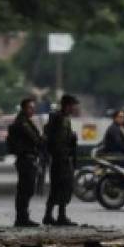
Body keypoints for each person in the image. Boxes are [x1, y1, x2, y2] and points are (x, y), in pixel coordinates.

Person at [43, 94, 79, 226]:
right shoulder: (59, 118)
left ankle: (55, 215)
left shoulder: (63, 118)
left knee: (62, 187)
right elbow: (56, 140)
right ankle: (57, 216)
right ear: (67, 105)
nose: (74, 108)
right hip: (60, 158)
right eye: (73, 106)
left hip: (62, 157)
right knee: (60, 187)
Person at [8, 98, 44, 227]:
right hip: (26, 159)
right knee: (25, 189)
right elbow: (35, 139)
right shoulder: (23, 123)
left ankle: (23, 217)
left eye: (33, 107)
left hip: (27, 159)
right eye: (30, 107)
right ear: (24, 108)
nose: (33, 110)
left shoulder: (25, 121)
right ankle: (21, 218)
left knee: (26, 189)